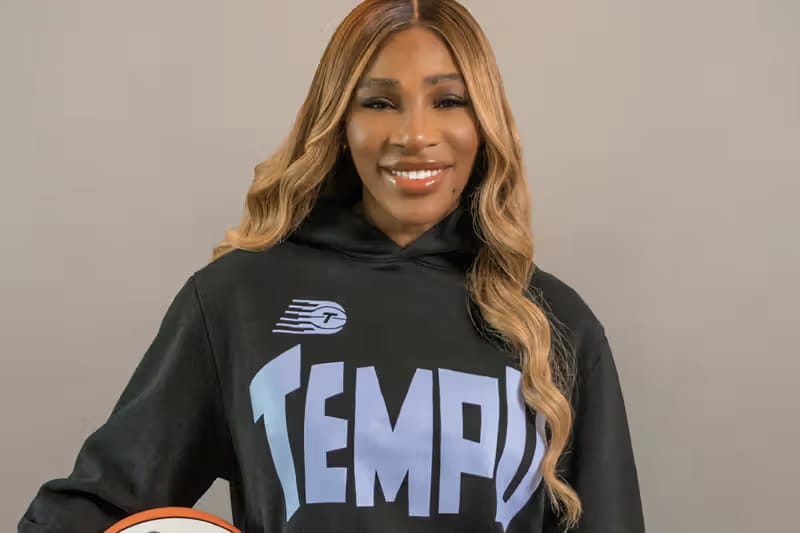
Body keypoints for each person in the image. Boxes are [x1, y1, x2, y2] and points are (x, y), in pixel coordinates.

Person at [18, 0, 644, 531]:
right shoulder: (239, 300)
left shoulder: (555, 323)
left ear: (484, 122)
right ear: (340, 123)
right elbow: (91, 508)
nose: (414, 134)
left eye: (449, 99)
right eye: (380, 103)